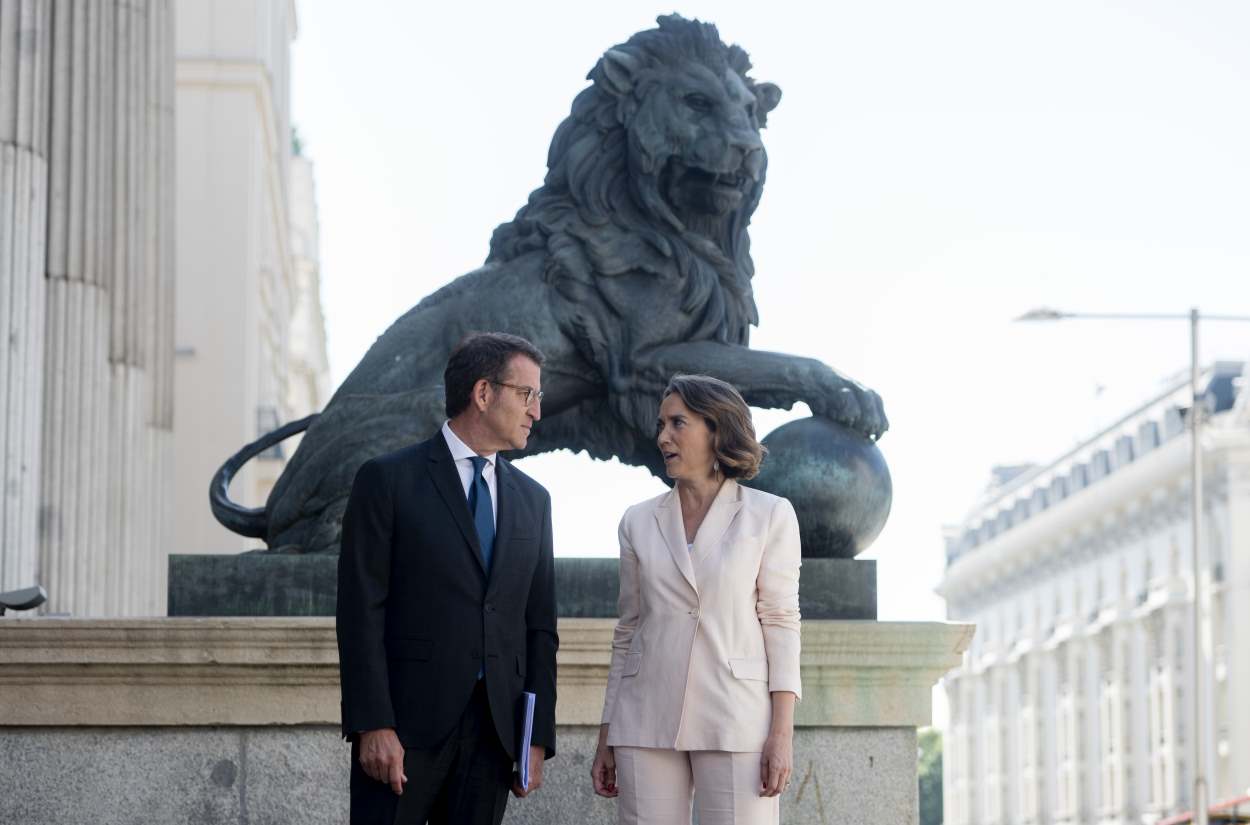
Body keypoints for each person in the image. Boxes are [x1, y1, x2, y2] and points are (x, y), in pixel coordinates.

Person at [336, 332, 558, 825]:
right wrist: (373, 723)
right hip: (404, 733)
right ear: (483, 393)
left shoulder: (533, 501)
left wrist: (536, 735)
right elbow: (360, 612)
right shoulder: (387, 480)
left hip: (495, 736)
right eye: (527, 395)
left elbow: (540, 626)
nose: (536, 412)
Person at [590, 374, 802, 825]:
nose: (662, 436)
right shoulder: (637, 521)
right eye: (662, 424)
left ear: (716, 429)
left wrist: (780, 734)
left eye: (677, 423)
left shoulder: (769, 515)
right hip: (645, 718)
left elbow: (781, 622)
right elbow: (628, 629)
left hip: (736, 719)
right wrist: (607, 733)